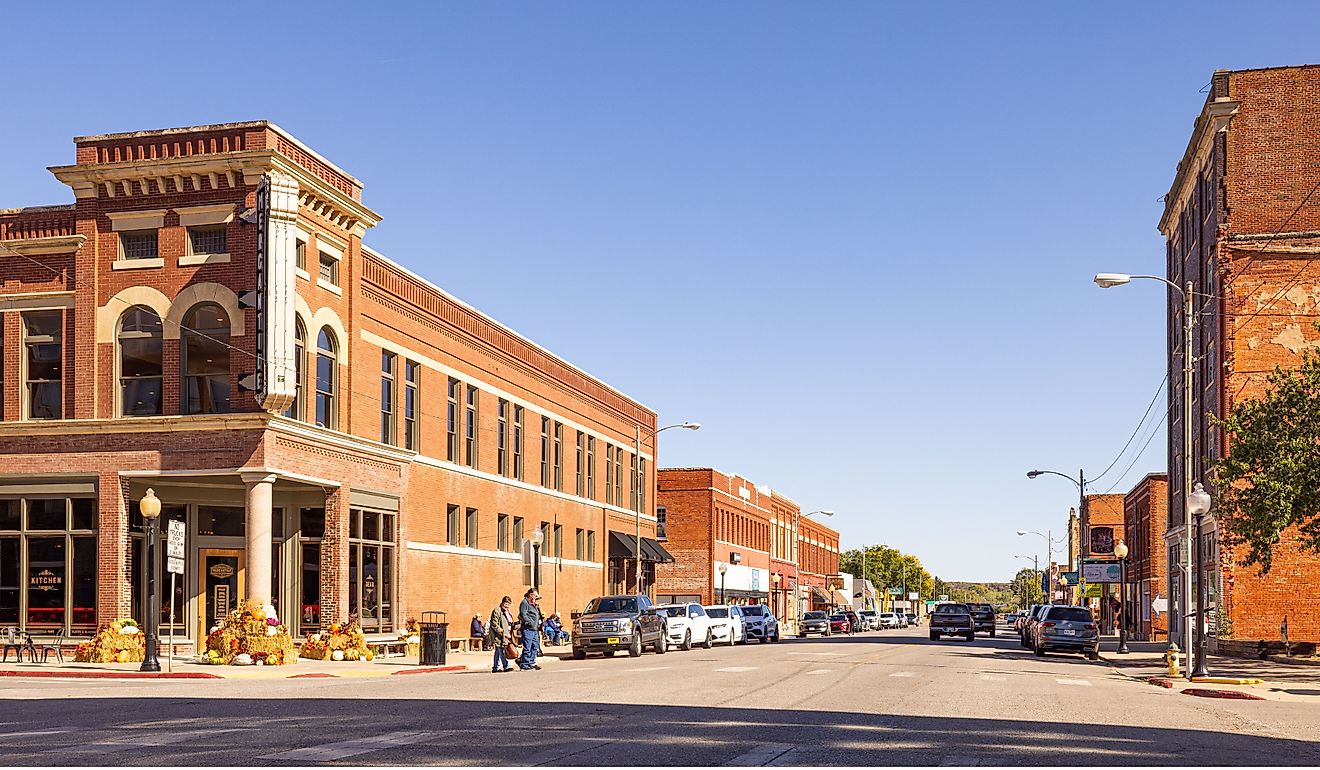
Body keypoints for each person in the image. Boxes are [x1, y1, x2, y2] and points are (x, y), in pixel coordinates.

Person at [486, 596, 514, 673]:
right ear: (502, 603)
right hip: (498, 635)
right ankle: (506, 666)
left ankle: (495, 667)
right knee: (501, 649)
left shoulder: (506, 612)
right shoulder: (497, 610)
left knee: (498, 652)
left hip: (506, 634)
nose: (507, 606)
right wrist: (499, 630)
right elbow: (494, 623)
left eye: (508, 604)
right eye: (505, 603)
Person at [517, 588, 543, 670]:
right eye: (535, 595)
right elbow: (523, 614)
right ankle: (524, 664)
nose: (536, 597)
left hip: (534, 629)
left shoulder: (534, 604)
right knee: (527, 647)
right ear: (531, 594)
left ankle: (531, 662)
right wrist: (530, 622)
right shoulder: (525, 603)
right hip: (528, 629)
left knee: (535, 646)